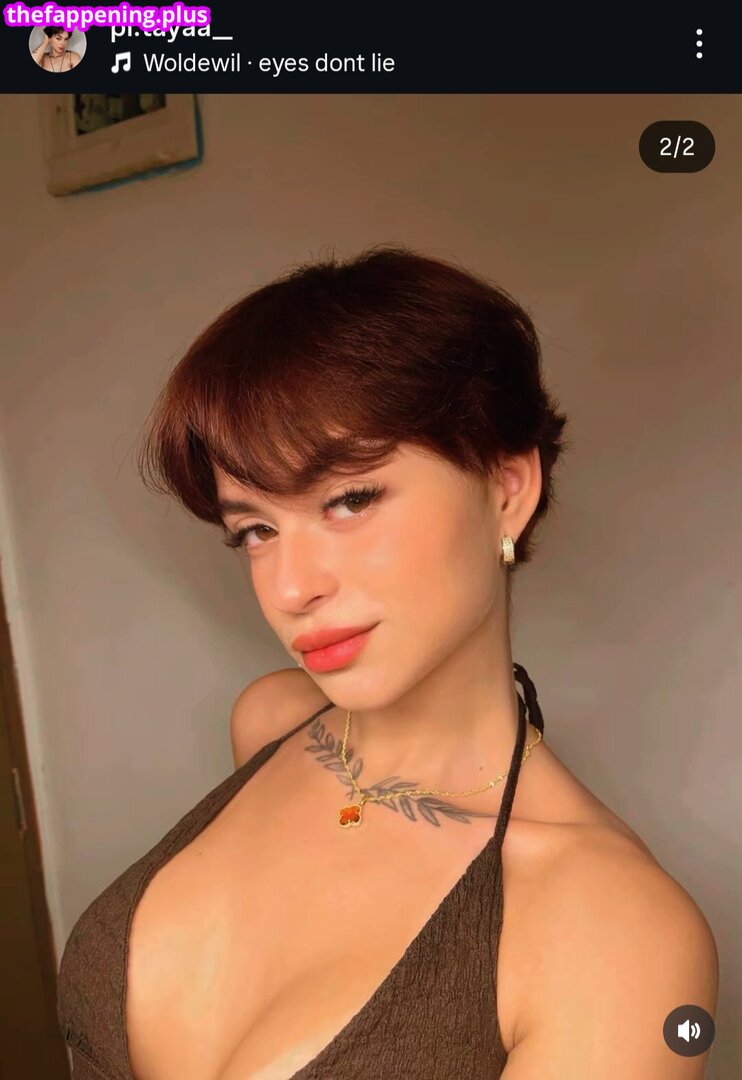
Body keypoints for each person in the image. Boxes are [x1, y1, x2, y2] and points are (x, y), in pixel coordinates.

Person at [57, 245, 718, 1079]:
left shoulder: (620, 935)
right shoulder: (272, 720)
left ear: (507, 489)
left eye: (349, 499)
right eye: (255, 529)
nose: (290, 588)